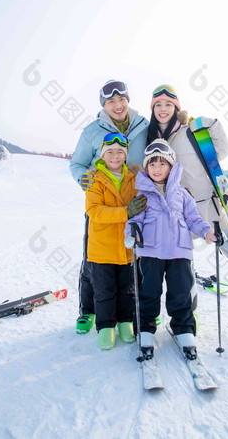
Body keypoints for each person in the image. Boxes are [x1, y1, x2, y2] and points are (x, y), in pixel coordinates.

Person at [147, 84, 228, 282]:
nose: (163, 109)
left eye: (168, 104)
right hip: (177, 212)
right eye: (158, 104)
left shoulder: (189, 133)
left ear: (176, 107)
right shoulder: (151, 139)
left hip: (209, 209)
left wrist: (212, 126)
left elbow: (221, 152)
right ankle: (189, 309)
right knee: (182, 265)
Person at [70, 80, 149, 334]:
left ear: (128, 100)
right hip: (102, 202)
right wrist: (85, 180)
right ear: (104, 105)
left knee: (134, 258)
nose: (117, 105)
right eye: (110, 102)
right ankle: (89, 310)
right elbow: (77, 164)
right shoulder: (92, 131)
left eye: (121, 100)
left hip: (134, 200)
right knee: (94, 259)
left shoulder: (143, 126)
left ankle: (134, 311)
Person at [124, 139, 216, 359]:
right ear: (146, 168)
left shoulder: (182, 194)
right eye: (152, 165)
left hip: (179, 252)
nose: (157, 169)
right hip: (151, 252)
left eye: (162, 164)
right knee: (149, 293)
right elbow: (135, 219)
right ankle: (145, 329)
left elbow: (193, 218)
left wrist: (206, 231)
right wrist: (132, 233)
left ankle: (183, 329)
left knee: (181, 293)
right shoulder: (143, 194)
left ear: (171, 167)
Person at [85, 132, 147, 350]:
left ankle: (124, 322)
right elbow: (94, 210)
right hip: (102, 248)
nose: (114, 156)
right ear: (103, 154)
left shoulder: (133, 177)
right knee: (104, 290)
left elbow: (142, 203)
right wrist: (125, 212)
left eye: (120, 151)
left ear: (125, 154)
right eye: (109, 152)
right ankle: (105, 326)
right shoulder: (96, 179)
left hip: (127, 247)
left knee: (126, 289)